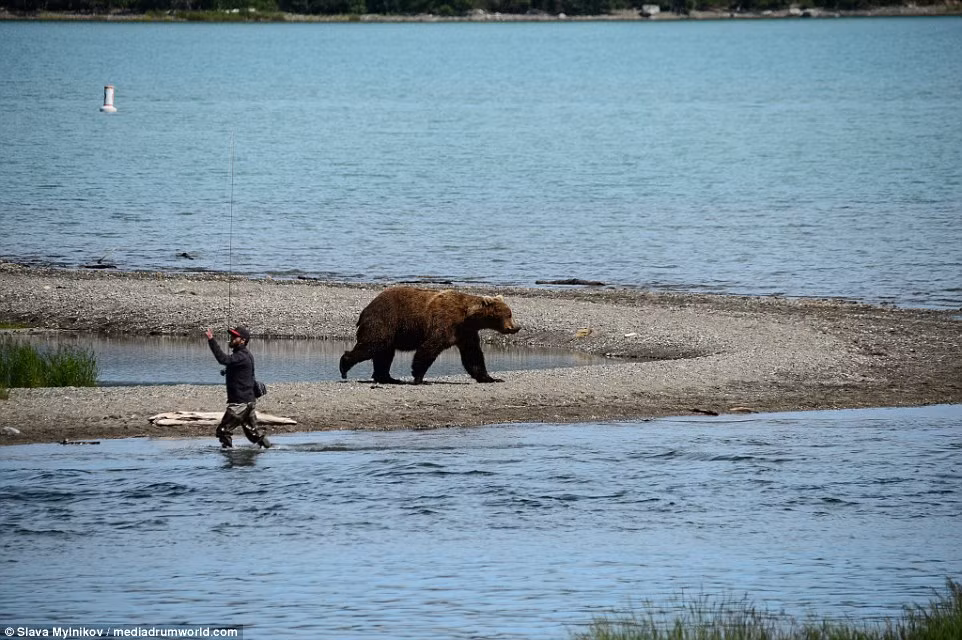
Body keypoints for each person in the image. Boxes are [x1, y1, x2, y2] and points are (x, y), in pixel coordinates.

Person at [204, 326, 271, 449]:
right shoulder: (244, 355)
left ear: (243, 340)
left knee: (223, 431)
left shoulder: (241, 356)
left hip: (240, 404)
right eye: (232, 336)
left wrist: (211, 339)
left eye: (235, 337)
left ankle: (229, 458)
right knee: (255, 435)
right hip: (248, 401)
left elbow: (223, 359)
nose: (232, 338)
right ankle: (270, 449)